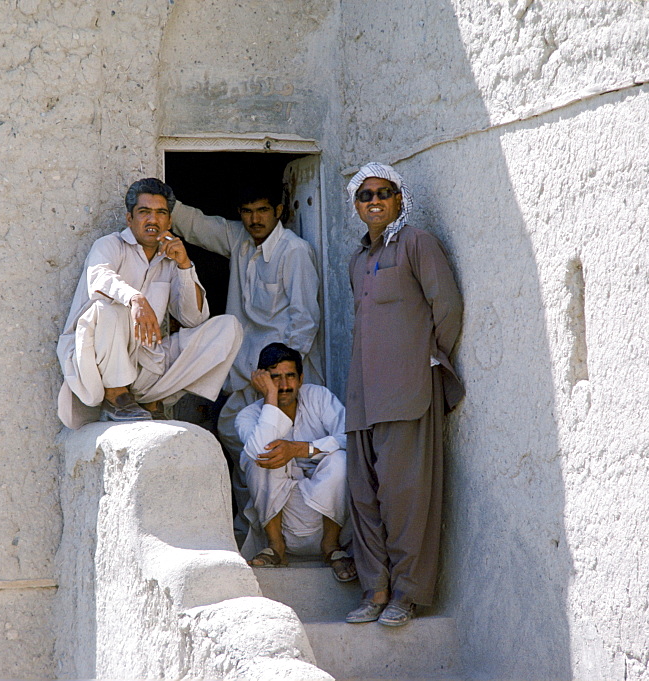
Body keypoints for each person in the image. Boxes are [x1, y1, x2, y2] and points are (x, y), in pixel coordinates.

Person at [343, 162, 464, 627]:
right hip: (363, 396)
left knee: (406, 496)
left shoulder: (417, 244)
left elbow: (447, 306)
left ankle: (406, 595)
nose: (374, 200)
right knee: (363, 494)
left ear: (399, 198)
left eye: (384, 192)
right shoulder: (357, 259)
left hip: (408, 390)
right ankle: (375, 590)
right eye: (365, 194)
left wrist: (432, 360)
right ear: (356, 206)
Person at [170, 185, 322, 527]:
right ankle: (252, 517)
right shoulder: (239, 239)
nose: (255, 219)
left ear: (278, 210)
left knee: (281, 447)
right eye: (247, 211)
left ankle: (288, 523)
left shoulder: (294, 252)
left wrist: (283, 379)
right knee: (234, 433)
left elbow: (305, 318)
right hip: (245, 371)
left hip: (279, 373)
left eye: (263, 210)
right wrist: (166, 205)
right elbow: (198, 225)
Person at [57, 178, 242, 428]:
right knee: (107, 308)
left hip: (147, 362)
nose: (152, 220)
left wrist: (185, 266)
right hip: (97, 363)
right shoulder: (110, 245)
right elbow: (99, 278)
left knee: (228, 328)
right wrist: (135, 299)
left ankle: (153, 400)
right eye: (144, 212)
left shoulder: (170, 258)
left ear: (169, 221)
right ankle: (116, 396)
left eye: (160, 213)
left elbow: (194, 319)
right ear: (129, 219)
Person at [235, 342, 355, 582]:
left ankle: (331, 548)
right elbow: (259, 451)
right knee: (260, 457)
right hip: (281, 515)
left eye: (290, 376)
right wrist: (270, 397)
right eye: (275, 378)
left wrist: (301, 449)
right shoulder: (248, 415)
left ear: (301, 378)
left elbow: (349, 438)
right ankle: (275, 547)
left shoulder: (319, 397)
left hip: (328, 513)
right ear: (262, 381)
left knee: (340, 459)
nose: (284, 385)